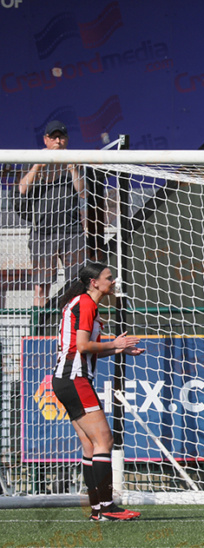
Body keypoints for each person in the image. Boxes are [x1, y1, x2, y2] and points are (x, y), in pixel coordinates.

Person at [52, 262, 143, 521]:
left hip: (67, 379)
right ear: (94, 282)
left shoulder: (83, 303)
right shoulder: (87, 304)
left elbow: (84, 348)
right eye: (109, 278)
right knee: (104, 441)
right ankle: (108, 507)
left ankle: (97, 510)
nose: (113, 282)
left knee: (91, 446)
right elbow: (82, 346)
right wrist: (114, 343)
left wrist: (117, 349)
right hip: (74, 378)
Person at [18, 120, 87, 307]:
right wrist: (37, 166)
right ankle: (39, 326)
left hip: (71, 232)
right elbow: (22, 189)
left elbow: (82, 192)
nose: (58, 141)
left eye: (61, 137)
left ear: (67, 139)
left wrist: (71, 166)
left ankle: (73, 324)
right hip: (43, 232)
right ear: (45, 140)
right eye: (53, 137)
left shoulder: (75, 161)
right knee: (41, 284)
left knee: (78, 282)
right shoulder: (33, 161)